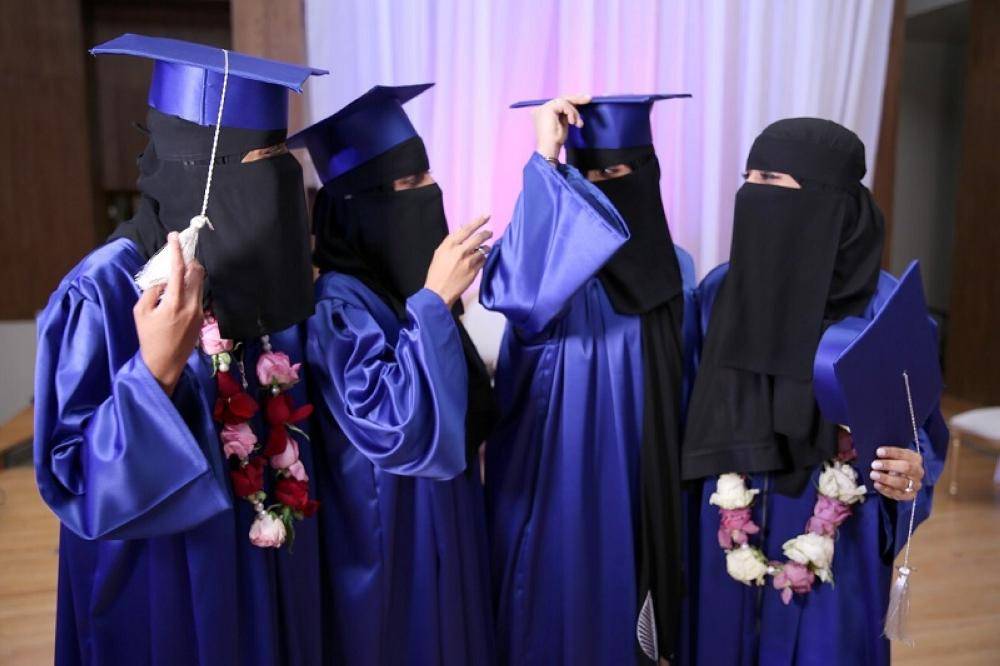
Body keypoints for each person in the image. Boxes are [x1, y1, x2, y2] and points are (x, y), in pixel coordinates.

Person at [33, 34, 327, 665]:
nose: (281, 180)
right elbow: (75, 482)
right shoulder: (104, 289)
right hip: (159, 583)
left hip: (256, 560)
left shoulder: (249, 281)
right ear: (202, 171)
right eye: (264, 158)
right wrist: (155, 375)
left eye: (284, 156)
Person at [682, 117, 949, 666]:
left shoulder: (884, 311)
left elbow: (918, 439)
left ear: (828, 201)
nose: (751, 193)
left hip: (836, 542)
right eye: (748, 177)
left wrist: (911, 476)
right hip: (727, 530)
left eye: (770, 179)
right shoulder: (718, 294)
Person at [481, 94, 698, 665]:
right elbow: (514, 292)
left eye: (619, 173)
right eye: (589, 175)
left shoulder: (677, 268)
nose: (604, 188)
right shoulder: (554, 268)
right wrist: (544, 158)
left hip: (647, 481)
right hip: (560, 483)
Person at [288, 84, 498, 666]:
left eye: (427, 176)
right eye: (409, 183)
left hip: (439, 509)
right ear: (361, 205)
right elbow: (391, 422)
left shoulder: (394, 284)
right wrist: (433, 301)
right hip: (388, 529)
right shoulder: (337, 304)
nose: (430, 193)